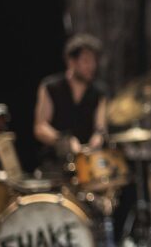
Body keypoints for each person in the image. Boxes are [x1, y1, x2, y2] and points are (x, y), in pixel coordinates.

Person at [34, 33, 108, 176]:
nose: (91, 66)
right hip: (55, 163)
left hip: (87, 164)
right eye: (86, 61)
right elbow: (40, 127)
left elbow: (100, 127)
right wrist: (65, 141)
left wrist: (98, 138)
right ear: (71, 62)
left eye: (94, 61)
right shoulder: (51, 87)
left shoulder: (99, 92)